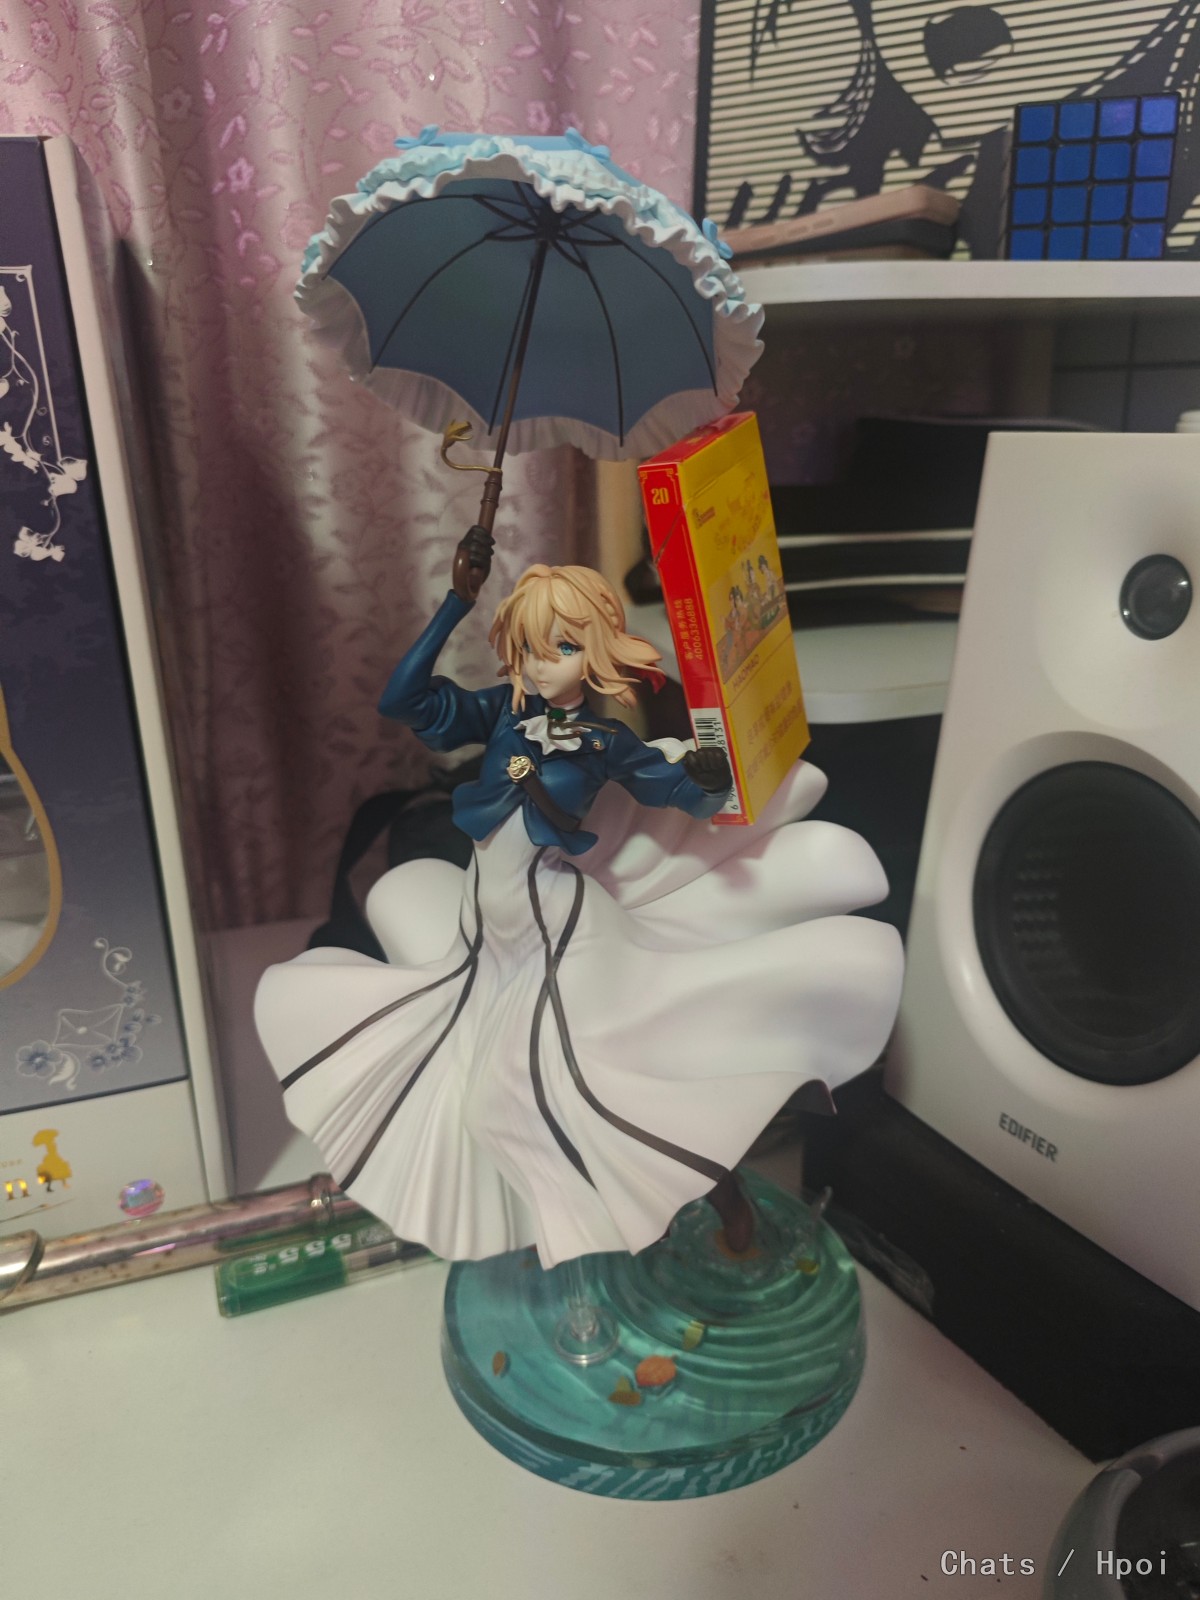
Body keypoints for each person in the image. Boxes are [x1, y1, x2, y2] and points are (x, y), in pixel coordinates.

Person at [255, 528, 903, 1268]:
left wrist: (715, 765)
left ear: (593, 652)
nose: (539, 662)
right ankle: (649, 1217)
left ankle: (688, 1216)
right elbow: (403, 699)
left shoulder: (603, 744)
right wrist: (456, 602)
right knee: (451, 1079)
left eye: (561, 646)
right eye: (528, 646)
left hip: (555, 934)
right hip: (486, 933)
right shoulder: (502, 712)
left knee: (540, 1101)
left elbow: (686, 794)